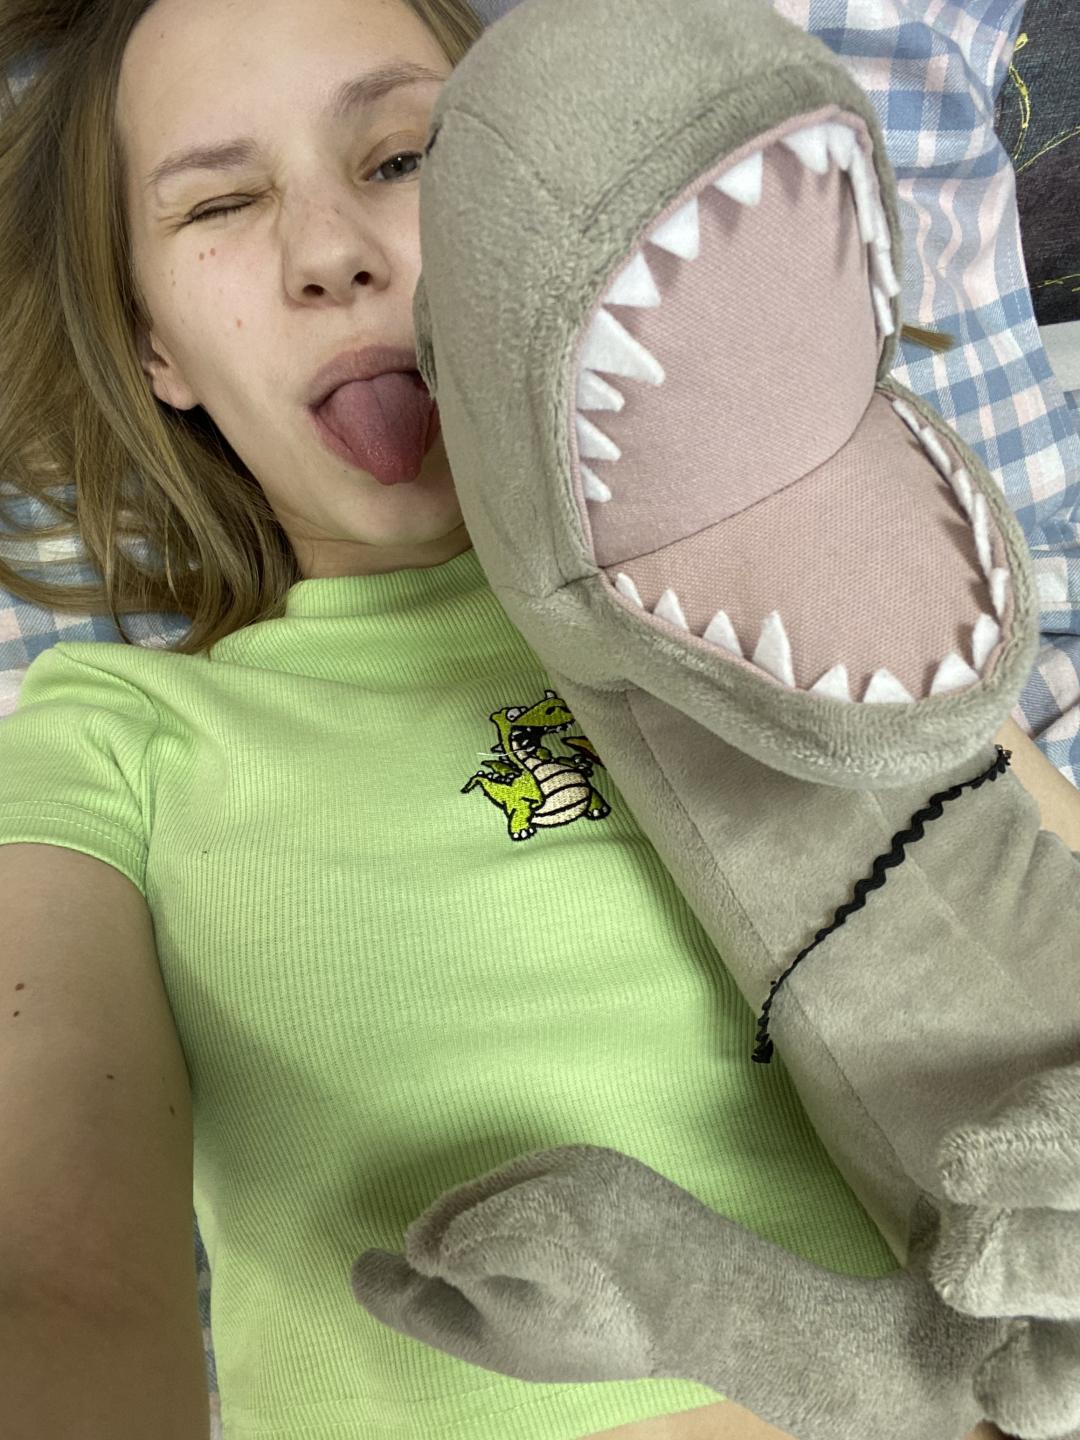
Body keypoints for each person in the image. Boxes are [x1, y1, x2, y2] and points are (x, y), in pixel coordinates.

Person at [0, 0, 1071, 1436]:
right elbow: (59, 1280)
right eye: (221, 202)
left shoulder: (793, 575)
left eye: (403, 158)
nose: (330, 252)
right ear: (157, 350)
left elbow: (1036, 923)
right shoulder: (107, 730)